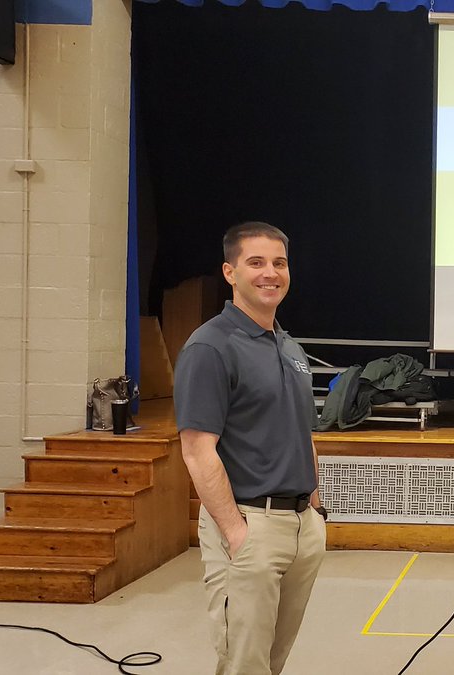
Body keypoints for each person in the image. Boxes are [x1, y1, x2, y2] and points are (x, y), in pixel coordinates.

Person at [174, 222, 327, 675]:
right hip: (248, 526)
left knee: (272, 661)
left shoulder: (290, 348)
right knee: (243, 662)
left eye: (279, 263)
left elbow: (304, 435)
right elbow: (198, 450)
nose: (270, 273)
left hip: (300, 527)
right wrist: (236, 532)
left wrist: (315, 512)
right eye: (255, 262)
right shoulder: (210, 347)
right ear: (229, 272)